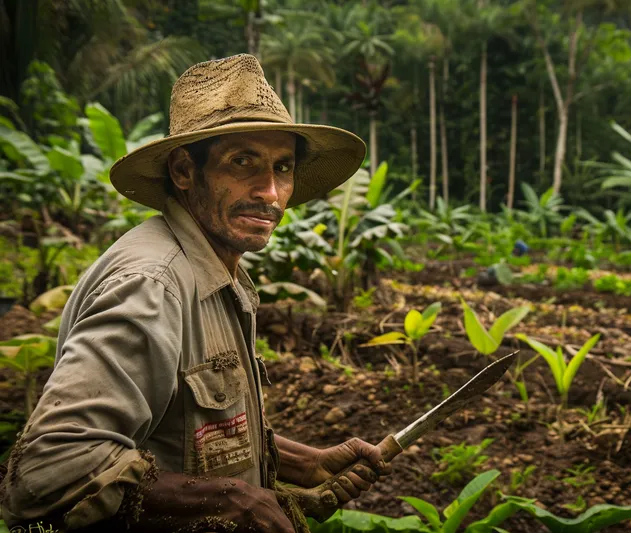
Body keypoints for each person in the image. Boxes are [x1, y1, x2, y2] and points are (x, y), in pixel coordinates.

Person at [0, 54, 390, 533]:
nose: (270, 191)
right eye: (242, 161)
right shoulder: (152, 285)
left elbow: (183, 423)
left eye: (282, 167)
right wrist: (234, 501)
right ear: (184, 171)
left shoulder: (213, 268)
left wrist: (300, 463)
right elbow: (51, 468)